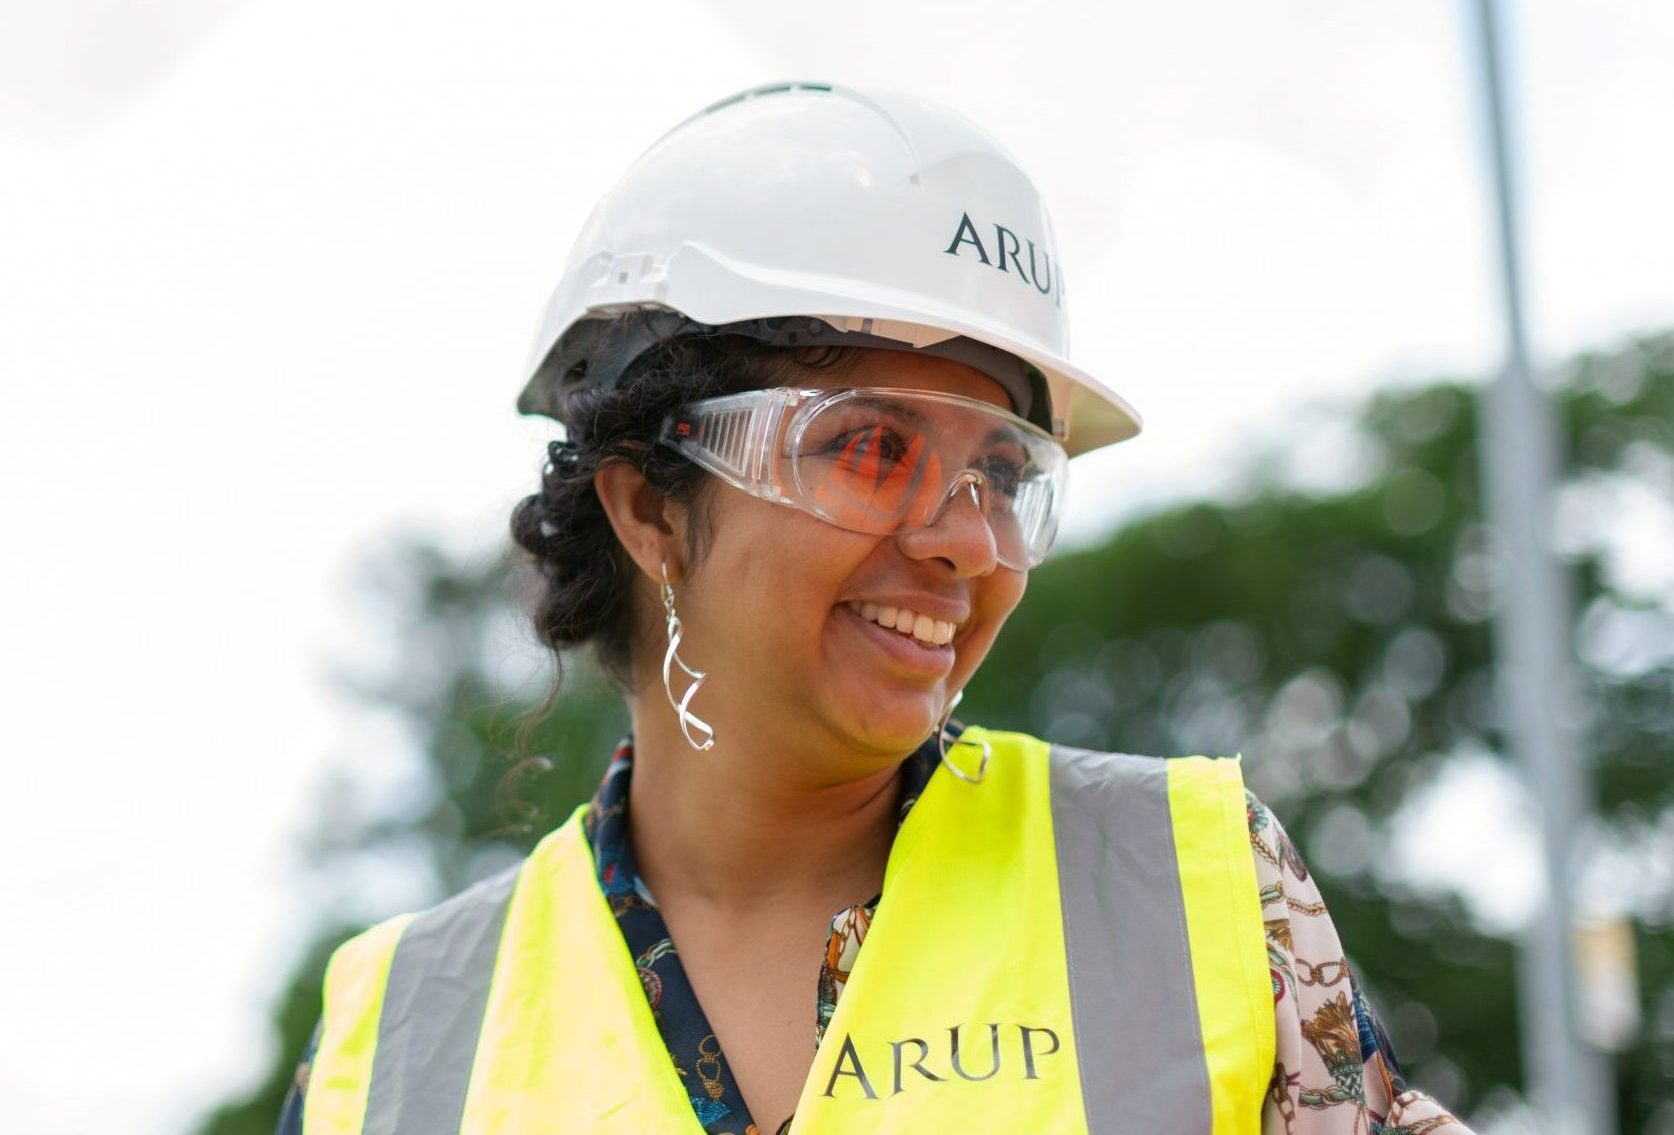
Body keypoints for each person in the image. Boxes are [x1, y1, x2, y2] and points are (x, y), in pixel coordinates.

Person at [278, 82, 1473, 1134]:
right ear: (648, 510)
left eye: (1003, 475)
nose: (964, 539)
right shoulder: (394, 1047)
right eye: (868, 448)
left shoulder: (1188, 891)